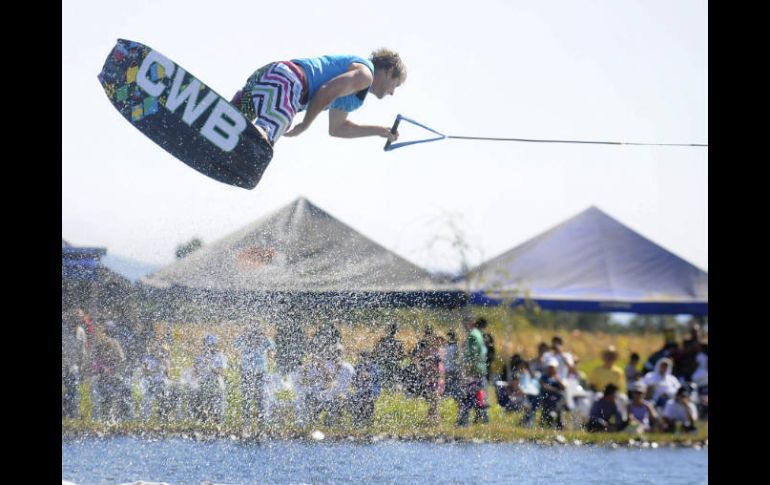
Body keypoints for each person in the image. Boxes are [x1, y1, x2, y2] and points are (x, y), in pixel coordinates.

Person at [231, 49, 407, 161]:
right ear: (389, 71)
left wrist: (379, 131)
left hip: (269, 81)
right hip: (286, 80)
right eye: (395, 85)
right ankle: (246, 150)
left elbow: (338, 128)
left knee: (236, 119)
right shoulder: (364, 75)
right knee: (278, 123)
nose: (392, 92)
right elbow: (326, 91)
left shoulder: (354, 98)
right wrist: (304, 125)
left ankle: (226, 117)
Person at [235, 322, 275, 427]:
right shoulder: (244, 342)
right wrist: (245, 334)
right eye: (252, 334)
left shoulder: (264, 342)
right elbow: (234, 344)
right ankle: (246, 424)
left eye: (256, 333)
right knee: (246, 399)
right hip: (246, 373)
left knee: (260, 398)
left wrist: (263, 335)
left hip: (260, 374)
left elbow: (273, 347)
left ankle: (261, 424)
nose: (254, 336)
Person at [456, 317, 489, 426]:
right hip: (480, 368)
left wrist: (468, 369)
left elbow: (473, 354)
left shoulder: (473, 335)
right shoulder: (478, 334)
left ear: (474, 323)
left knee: (468, 394)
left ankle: (464, 421)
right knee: (479, 394)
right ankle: (484, 420)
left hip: (474, 369)